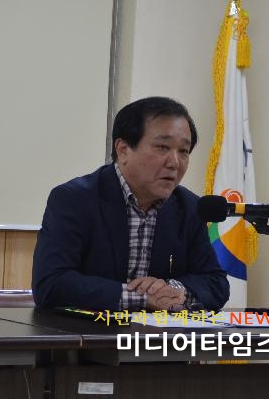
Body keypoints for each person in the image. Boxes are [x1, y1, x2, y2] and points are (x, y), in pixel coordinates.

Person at [32, 96, 228, 312]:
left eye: (183, 151)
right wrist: (140, 297)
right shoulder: (74, 199)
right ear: (123, 150)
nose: (175, 162)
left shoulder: (189, 207)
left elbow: (216, 284)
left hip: (159, 333)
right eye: (162, 147)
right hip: (90, 331)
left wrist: (172, 289)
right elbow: (51, 284)